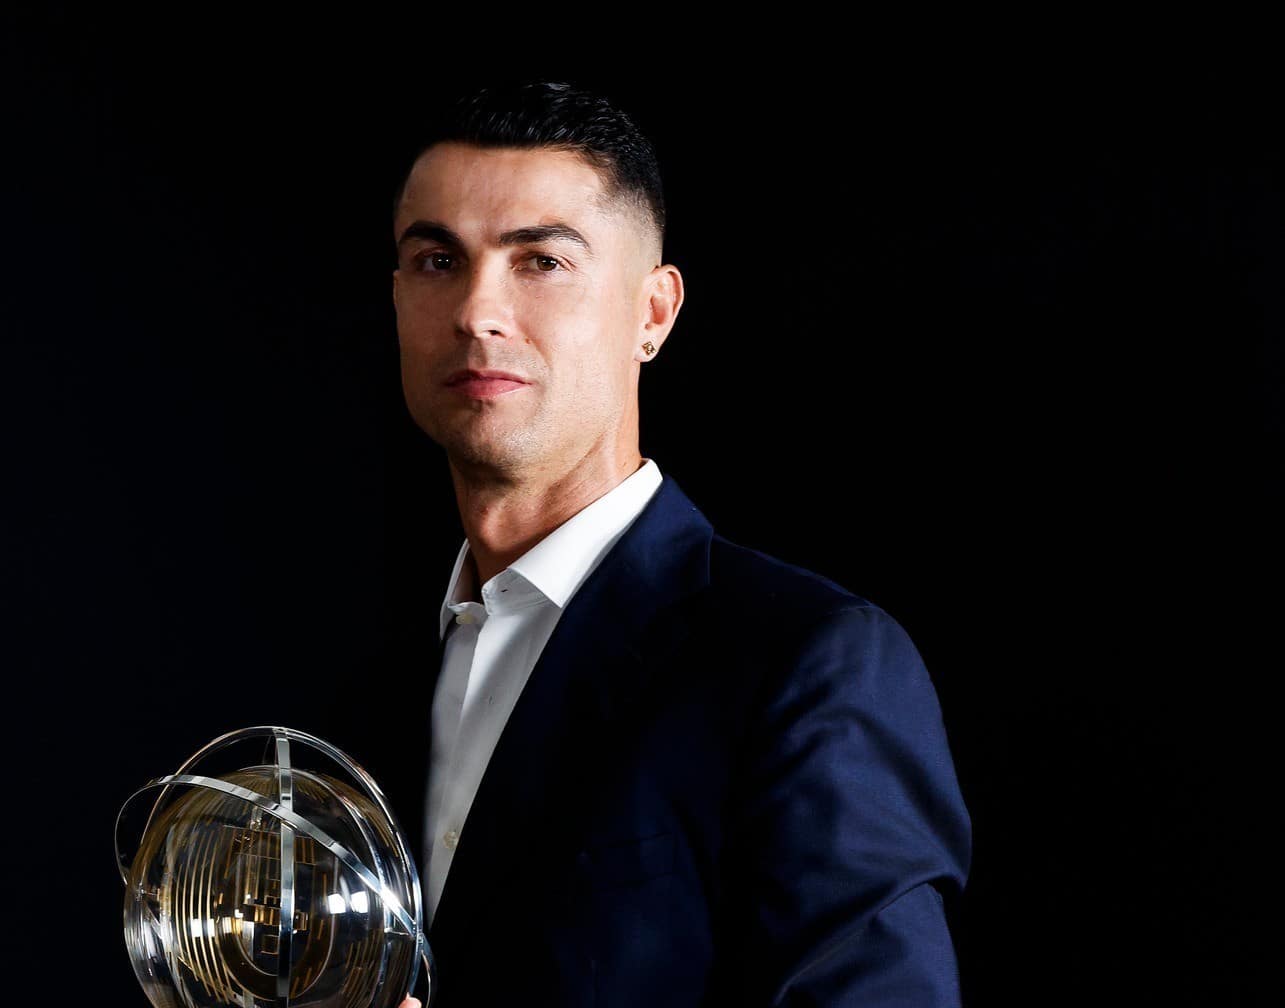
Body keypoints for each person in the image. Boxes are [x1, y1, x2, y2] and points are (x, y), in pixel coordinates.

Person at [376, 79, 971, 1007]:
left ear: (652, 313)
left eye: (541, 262)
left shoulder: (808, 662)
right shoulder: (369, 678)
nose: (475, 311)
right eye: (437, 260)